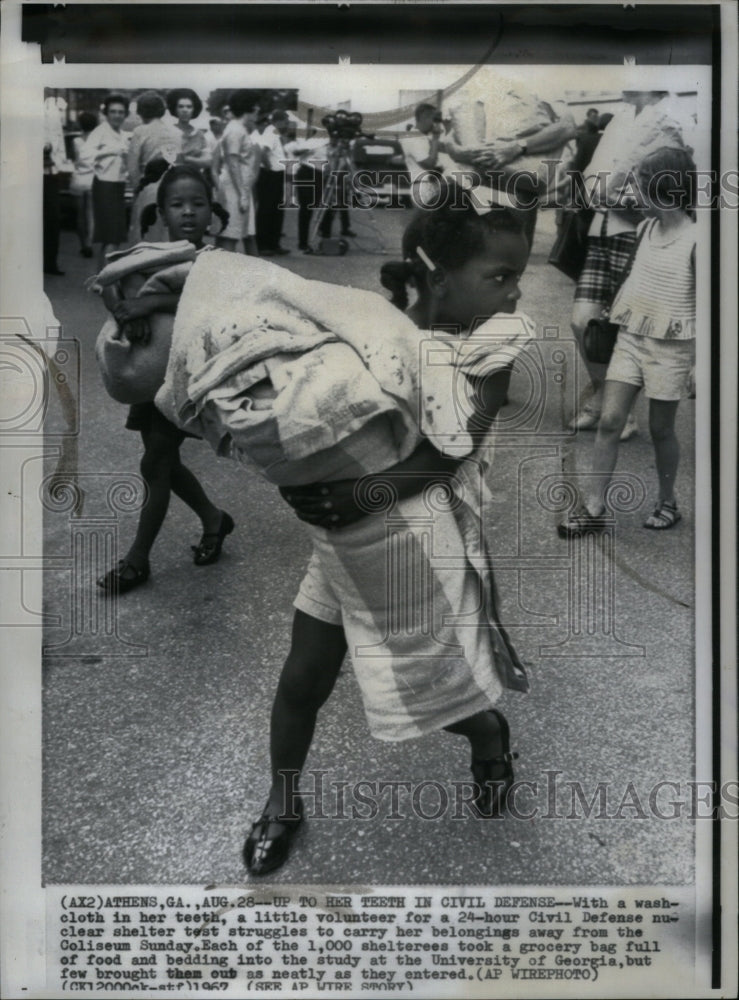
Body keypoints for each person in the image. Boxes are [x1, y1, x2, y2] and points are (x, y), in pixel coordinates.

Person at [240, 186, 533, 875]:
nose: (515, 294)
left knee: (432, 687)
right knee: (303, 677)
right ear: (435, 275)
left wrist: (357, 492)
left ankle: (489, 736)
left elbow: (450, 451)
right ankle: (282, 803)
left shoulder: (492, 348)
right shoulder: (374, 331)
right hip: (346, 539)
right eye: (499, 277)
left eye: (516, 275)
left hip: (424, 542)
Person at [96, 166, 234, 595]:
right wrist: (125, 311)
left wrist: (149, 302)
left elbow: (211, 299)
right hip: (151, 371)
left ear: (211, 211)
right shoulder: (150, 254)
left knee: (155, 462)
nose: (188, 213)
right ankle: (214, 519)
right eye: (177, 205)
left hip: (185, 374)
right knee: (164, 464)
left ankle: (138, 560)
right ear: (162, 212)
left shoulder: (215, 261)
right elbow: (108, 283)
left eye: (198, 204)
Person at [558, 146, 696, 537]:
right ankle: (594, 506)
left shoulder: (698, 240)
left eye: (639, 187)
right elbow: (635, 279)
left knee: (661, 430)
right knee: (610, 421)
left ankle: (668, 501)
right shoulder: (644, 229)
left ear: (662, 190)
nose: (633, 196)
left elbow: (709, 304)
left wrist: (701, 363)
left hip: (671, 346)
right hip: (631, 339)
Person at [569, 88, 686, 437]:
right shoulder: (621, 118)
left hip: (638, 231)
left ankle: (619, 410)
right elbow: (594, 172)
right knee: (582, 320)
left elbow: (677, 181)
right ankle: (606, 394)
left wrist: (627, 200)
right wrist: (598, 192)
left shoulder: (676, 117)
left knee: (625, 327)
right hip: (601, 229)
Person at [441, 74, 576, 245]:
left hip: (515, 186)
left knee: (507, 257)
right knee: (460, 251)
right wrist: (459, 151)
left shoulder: (542, 82)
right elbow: (451, 134)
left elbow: (568, 127)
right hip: (472, 182)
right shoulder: (475, 82)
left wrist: (518, 147)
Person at [214, 89, 262, 256]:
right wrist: (242, 194)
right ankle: (222, 277)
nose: (258, 110)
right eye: (256, 106)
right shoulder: (235, 130)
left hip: (238, 187)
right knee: (229, 234)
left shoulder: (238, 129)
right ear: (248, 107)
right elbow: (232, 162)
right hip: (234, 188)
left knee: (238, 232)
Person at [88, 94, 131, 268]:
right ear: (106, 113)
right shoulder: (100, 131)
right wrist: (110, 151)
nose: (117, 115)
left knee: (113, 235)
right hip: (104, 186)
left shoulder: (122, 134)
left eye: (121, 112)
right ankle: (105, 280)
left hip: (118, 186)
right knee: (111, 234)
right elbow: (85, 155)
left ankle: (102, 277)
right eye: (113, 111)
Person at [126, 91, 181, 193]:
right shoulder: (176, 132)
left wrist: (137, 190)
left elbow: (132, 166)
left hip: (148, 185)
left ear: (141, 111)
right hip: (172, 185)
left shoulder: (140, 131)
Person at [255, 109, 290, 255]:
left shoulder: (275, 133)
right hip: (270, 175)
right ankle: (263, 245)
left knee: (276, 211)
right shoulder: (271, 132)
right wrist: (269, 168)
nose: (287, 125)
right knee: (267, 210)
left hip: (276, 174)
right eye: (286, 122)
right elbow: (263, 152)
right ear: (279, 121)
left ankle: (273, 243)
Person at [69, 111, 97, 258]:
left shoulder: (76, 142)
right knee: (91, 215)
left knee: (79, 216)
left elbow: (74, 160)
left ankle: (82, 245)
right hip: (93, 179)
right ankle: (89, 244)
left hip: (78, 179)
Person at [167, 88, 212, 175]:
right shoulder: (169, 132)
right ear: (175, 109)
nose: (185, 110)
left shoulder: (199, 134)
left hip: (194, 178)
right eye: (181, 106)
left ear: (194, 109)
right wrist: (196, 160)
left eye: (189, 107)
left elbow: (208, 161)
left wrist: (186, 159)